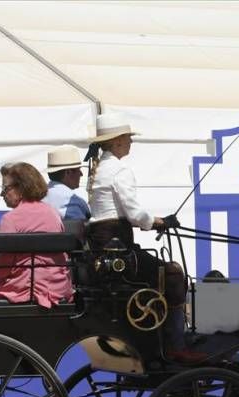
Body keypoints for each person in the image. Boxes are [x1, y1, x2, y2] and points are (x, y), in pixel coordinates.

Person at [83, 112, 202, 362]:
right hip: (119, 252)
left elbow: (117, 215)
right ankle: (174, 344)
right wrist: (160, 222)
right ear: (115, 141)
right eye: (127, 138)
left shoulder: (100, 169)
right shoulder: (119, 170)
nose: (130, 143)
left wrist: (153, 222)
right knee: (173, 274)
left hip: (105, 249)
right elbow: (135, 213)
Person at [0, 163, 72, 307]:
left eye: (5, 189)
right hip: (57, 290)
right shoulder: (53, 213)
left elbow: (2, 271)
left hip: (24, 291)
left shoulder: (10, 219)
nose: (2, 194)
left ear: (20, 188)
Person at [43, 145, 91, 221]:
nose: (81, 174)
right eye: (78, 170)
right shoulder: (72, 201)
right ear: (68, 172)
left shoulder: (40, 195)